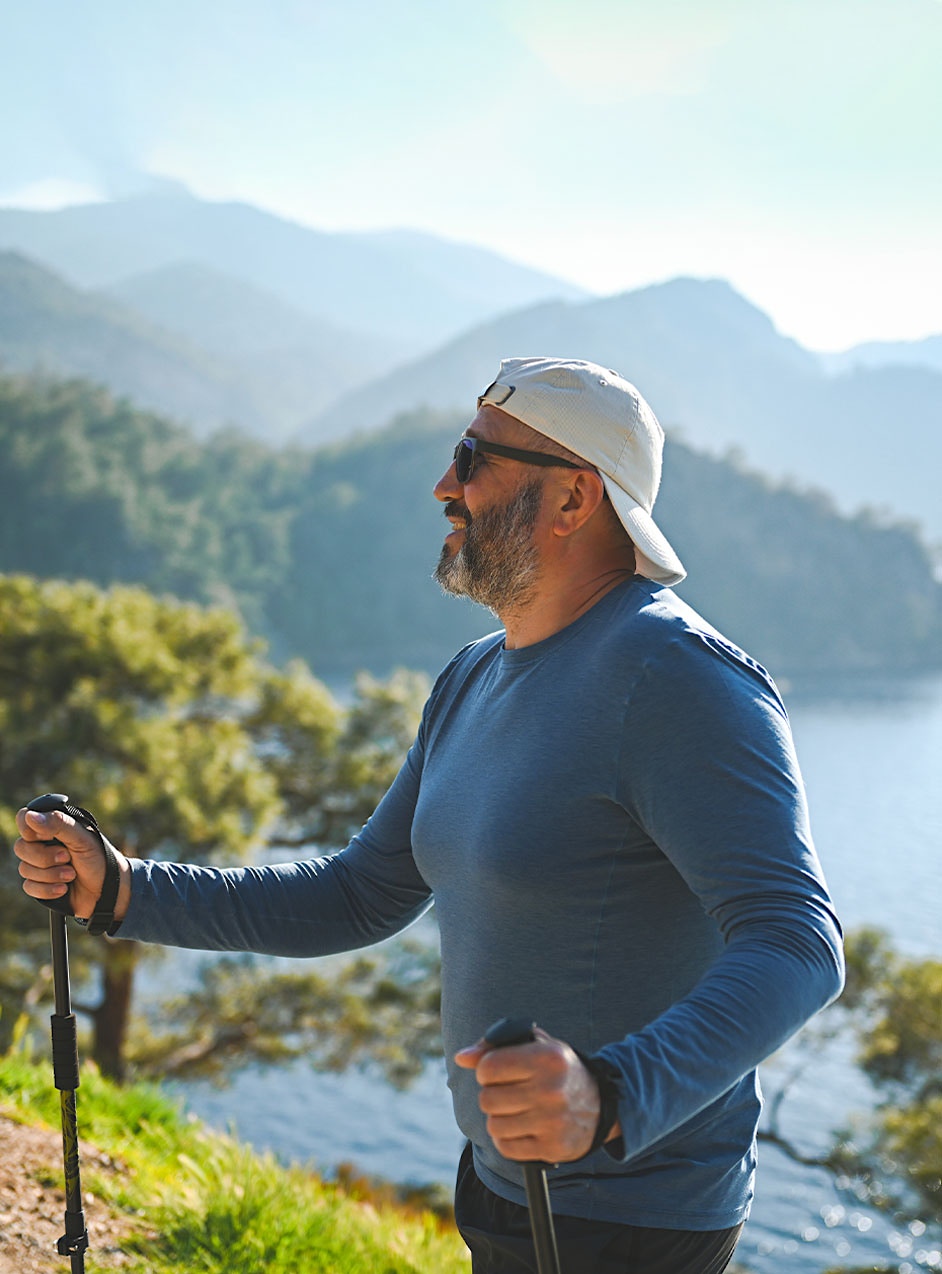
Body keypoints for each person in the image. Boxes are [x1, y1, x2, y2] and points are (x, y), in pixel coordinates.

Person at [15, 356, 845, 1274]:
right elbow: (361, 893)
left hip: (635, 1221)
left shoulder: (679, 679)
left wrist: (609, 1095)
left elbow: (797, 940)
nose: (445, 485)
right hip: (498, 1188)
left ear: (574, 499)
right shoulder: (473, 676)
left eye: (474, 457)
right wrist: (127, 889)